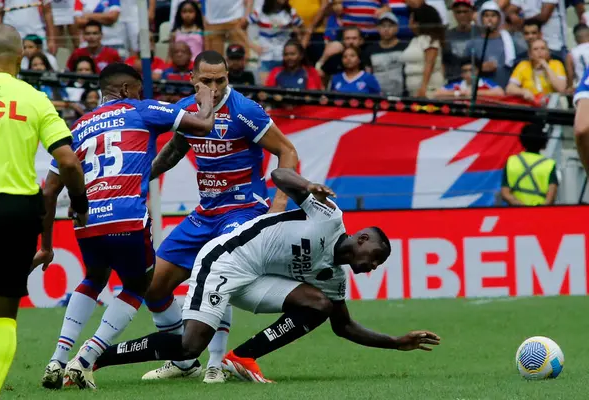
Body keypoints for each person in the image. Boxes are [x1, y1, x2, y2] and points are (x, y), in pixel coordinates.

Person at [90, 168, 441, 384]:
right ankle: (97, 357)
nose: (373, 266)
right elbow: (279, 177)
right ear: (362, 239)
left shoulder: (333, 277)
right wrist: (307, 184)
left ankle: (240, 357)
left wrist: (396, 342)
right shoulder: (329, 217)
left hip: (256, 280)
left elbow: (344, 326)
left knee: (321, 305)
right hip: (228, 259)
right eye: (376, 257)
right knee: (190, 345)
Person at [122, 50, 298, 384]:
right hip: (206, 212)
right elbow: (175, 149)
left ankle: (216, 362)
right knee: (153, 287)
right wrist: (139, 182)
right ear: (192, 78)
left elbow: (287, 151)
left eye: (221, 80)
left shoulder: (245, 111)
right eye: (206, 80)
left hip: (244, 209)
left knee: (218, 270)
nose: (214, 88)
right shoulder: (189, 110)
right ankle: (184, 360)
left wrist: (277, 208)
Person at [37, 62, 215, 390]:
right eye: (138, 89)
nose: (141, 94)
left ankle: (57, 358)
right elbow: (202, 124)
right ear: (125, 90)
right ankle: (85, 358)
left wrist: (46, 244)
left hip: (87, 220)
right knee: (138, 286)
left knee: (93, 278)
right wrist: (204, 95)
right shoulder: (140, 109)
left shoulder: (76, 127)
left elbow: (48, 191)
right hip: (127, 218)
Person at [0, 24, 86, 400]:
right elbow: (69, 163)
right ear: (19, 59)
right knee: (3, 310)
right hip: (15, 210)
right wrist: (79, 202)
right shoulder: (34, 98)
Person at [464, 1, 520, 89]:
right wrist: (479, 68)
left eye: (493, 15)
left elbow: (521, 66)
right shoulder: (472, 44)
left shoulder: (511, 42)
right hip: (481, 91)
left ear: (499, 18)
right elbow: (465, 70)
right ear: (481, 19)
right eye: (486, 15)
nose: (490, 19)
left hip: (505, 91)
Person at [500, 124, 558, 206]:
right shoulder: (550, 164)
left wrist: (521, 206)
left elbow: (505, 193)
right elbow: (550, 197)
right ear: (543, 142)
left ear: (522, 140)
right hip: (540, 215)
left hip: (515, 214)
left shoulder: (512, 161)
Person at [249, 0, 304, 83]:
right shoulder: (259, 11)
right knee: (265, 91)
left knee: (282, 90)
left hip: (284, 59)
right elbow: (239, 28)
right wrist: (252, 46)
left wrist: (299, 47)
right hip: (265, 58)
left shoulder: (291, 12)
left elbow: (305, 30)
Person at [402, 4, 445, 97]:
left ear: (418, 22)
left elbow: (430, 63)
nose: (409, 22)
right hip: (413, 90)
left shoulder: (429, 40)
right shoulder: (415, 40)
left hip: (428, 89)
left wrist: (423, 87)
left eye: (411, 19)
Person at [363, 12, 408, 96]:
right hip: (377, 96)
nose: (386, 29)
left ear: (397, 28)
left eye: (390, 26)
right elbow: (368, 75)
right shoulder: (370, 50)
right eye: (383, 26)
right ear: (377, 28)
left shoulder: (405, 47)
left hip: (402, 96)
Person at [444, 0, 480, 82]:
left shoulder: (480, 34)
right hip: (453, 80)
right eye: (458, 12)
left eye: (465, 11)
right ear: (454, 14)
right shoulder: (447, 35)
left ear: (472, 12)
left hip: (476, 80)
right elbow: (444, 60)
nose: (462, 15)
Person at [434, 60, 504, 98]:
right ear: (461, 74)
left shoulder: (485, 82)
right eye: (465, 71)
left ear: (478, 71)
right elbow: (437, 93)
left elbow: (500, 92)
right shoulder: (457, 85)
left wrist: (474, 93)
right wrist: (459, 93)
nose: (468, 73)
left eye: (471, 70)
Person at [566, 23, 589, 93]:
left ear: (575, 39)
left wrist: (570, 87)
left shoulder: (571, 54)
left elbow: (570, 75)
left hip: (582, 89)